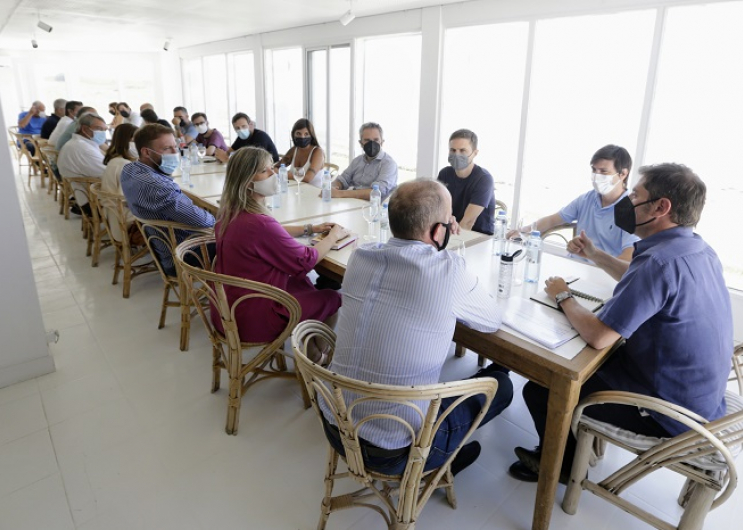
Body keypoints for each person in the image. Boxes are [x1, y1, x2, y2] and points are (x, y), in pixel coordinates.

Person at [509, 163, 733, 484]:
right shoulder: (697, 250)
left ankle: (564, 467)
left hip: (668, 411)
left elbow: (600, 336)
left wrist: (563, 296)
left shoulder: (657, 262)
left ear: (661, 207)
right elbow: (639, 280)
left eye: (636, 195)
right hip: (701, 395)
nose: (627, 202)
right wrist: (596, 255)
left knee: (542, 388)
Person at [320, 179, 513, 476]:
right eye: (450, 221)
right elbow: (491, 320)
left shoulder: (360, 256)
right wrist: (445, 250)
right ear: (439, 231)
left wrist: (441, 231)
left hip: (333, 425)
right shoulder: (448, 271)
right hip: (392, 451)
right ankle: (435, 462)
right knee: (501, 383)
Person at [214, 146, 349, 358]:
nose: (274, 174)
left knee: (302, 284)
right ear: (248, 181)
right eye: (265, 171)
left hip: (230, 306)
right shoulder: (259, 224)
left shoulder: (231, 212)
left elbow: (272, 232)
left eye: (272, 168)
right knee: (332, 297)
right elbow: (307, 260)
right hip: (255, 316)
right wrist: (333, 236)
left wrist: (310, 229)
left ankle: (310, 348)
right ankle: (318, 357)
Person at [509, 145, 638, 261]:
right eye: (594, 170)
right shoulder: (587, 199)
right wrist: (523, 232)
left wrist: (596, 260)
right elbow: (552, 220)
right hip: (574, 266)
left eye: (603, 171)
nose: (596, 175)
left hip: (602, 274)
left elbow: (627, 259)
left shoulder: (631, 211)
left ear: (623, 174)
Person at [120, 124, 215, 276]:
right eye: (167, 148)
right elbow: (204, 222)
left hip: (164, 248)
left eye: (175, 146)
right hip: (183, 255)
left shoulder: (130, 170)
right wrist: (222, 220)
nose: (175, 152)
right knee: (247, 241)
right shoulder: (157, 186)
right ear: (146, 152)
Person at [437, 129, 496, 235]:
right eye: (453, 150)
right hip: (451, 232)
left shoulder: (484, 179)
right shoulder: (445, 173)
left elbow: (468, 223)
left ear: (475, 153)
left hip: (478, 237)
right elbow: (438, 209)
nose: (457, 154)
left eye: (462, 150)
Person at [57, 113, 108, 215]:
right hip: (93, 203)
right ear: (84, 129)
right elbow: (107, 174)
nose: (102, 133)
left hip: (84, 196)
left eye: (104, 130)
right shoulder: (82, 148)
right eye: (99, 129)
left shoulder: (80, 143)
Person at [332, 122, 397, 200]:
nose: (372, 144)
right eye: (367, 140)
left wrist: (341, 194)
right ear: (361, 143)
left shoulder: (389, 164)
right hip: (351, 204)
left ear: (382, 142)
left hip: (374, 208)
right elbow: (343, 179)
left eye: (376, 140)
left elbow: (378, 192)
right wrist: (334, 187)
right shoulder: (357, 161)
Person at [101, 123, 143, 245]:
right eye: (136, 141)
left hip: (115, 216)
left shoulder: (116, 161)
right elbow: (130, 201)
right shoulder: (125, 165)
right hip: (126, 221)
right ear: (127, 142)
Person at [276, 118, 325, 187]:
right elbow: (276, 168)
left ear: (311, 135)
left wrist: (284, 174)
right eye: (298, 134)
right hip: (295, 191)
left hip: (315, 194)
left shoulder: (317, 152)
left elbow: (308, 178)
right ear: (293, 135)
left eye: (306, 134)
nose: (302, 137)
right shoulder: (294, 150)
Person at [214, 112, 279, 163]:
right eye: (237, 128)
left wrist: (226, 159)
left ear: (250, 124)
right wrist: (220, 156)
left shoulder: (260, 136)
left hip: (269, 170)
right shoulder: (241, 137)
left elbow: (253, 163)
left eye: (244, 126)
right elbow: (229, 152)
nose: (241, 130)